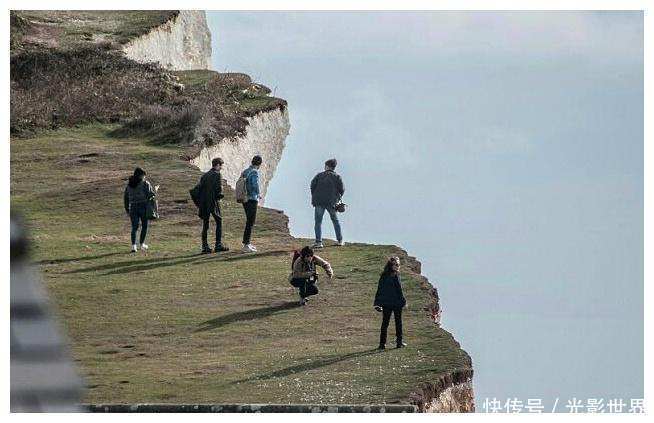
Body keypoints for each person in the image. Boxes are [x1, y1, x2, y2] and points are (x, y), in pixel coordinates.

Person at [310, 158, 345, 248]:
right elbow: (342, 189)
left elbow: (312, 185)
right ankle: (340, 240)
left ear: (327, 166)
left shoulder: (319, 175)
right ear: (333, 167)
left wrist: (315, 195)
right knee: (335, 220)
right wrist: (337, 197)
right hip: (331, 202)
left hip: (319, 201)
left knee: (318, 222)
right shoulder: (337, 177)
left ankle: (319, 242)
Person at [374, 256, 407, 349]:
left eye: (398, 265)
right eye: (396, 265)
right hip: (396, 303)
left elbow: (379, 290)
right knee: (398, 323)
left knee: (385, 323)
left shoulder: (383, 275)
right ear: (391, 265)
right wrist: (403, 301)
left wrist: (377, 303)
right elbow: (399, 290)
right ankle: (399, 342)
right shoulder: (395, 275)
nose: (397, 267)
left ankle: (382, 344)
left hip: (387, 303)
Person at [197, 157, 229, 254]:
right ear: (218, 165)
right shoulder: (217, 175)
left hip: (204, 203)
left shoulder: (205, 175)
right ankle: (218, 245)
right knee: (219, 222)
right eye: (221, 165)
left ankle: (205, 246)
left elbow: (199, 189)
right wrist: (220, 197)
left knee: (205, 225)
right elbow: (219, 191)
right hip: (213, 202)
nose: (222, 167)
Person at [123, 167, 156, 253]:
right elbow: (150, 195)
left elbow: (126, 197)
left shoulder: (129, 185)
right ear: (141, 175)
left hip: (133, 207)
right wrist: (155, 191)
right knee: (144, 226)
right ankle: (141, 244)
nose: (144, 177)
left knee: (134, 227)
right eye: (143, 175)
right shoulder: (145, 183)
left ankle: (133, 246)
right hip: (143, 206)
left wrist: (127, 208)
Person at [241, 155, 262, 253]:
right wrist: (259, 193)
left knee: (249, 221)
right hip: (252, 199)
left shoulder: (245, 171)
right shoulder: (255, 172)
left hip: (244, 198)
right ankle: (246, 244)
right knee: (251, 221)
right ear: (259, 164)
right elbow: (255, 184)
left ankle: (247, 243)